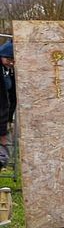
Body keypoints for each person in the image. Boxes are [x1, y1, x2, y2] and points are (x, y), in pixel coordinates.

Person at [0, 36, 15, 170]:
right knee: (3, 155)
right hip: (1, 121)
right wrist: (2, 132)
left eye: (13, 60)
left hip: (4, 119)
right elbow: (3, 102)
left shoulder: (7, 70)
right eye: (9, 59)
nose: (11, 62)